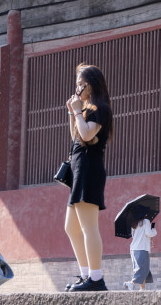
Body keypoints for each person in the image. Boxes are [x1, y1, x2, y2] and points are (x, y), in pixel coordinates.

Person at [64, 64, 113, 292]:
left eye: (80, 84)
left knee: (88, 227)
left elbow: (87, 134)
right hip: (79, 168)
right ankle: (86, 275)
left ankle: (96, 278)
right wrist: (74, 112)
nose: (77, 88)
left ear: (90, 85)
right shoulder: (86, 108)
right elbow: (77, 136)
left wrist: (77, 111)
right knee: (71, 227)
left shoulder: (100, 108)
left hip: (89, 169)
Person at [124, 215, 157, 290]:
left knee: (142, 268)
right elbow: (149, 233)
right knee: (143, 269)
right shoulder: (146, 221)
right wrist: (154, 229)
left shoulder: (134, 223)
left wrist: (149, 242)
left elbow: (138, 236)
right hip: (142, 249)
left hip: (134, 249)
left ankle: (142, 289)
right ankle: (131, 283)